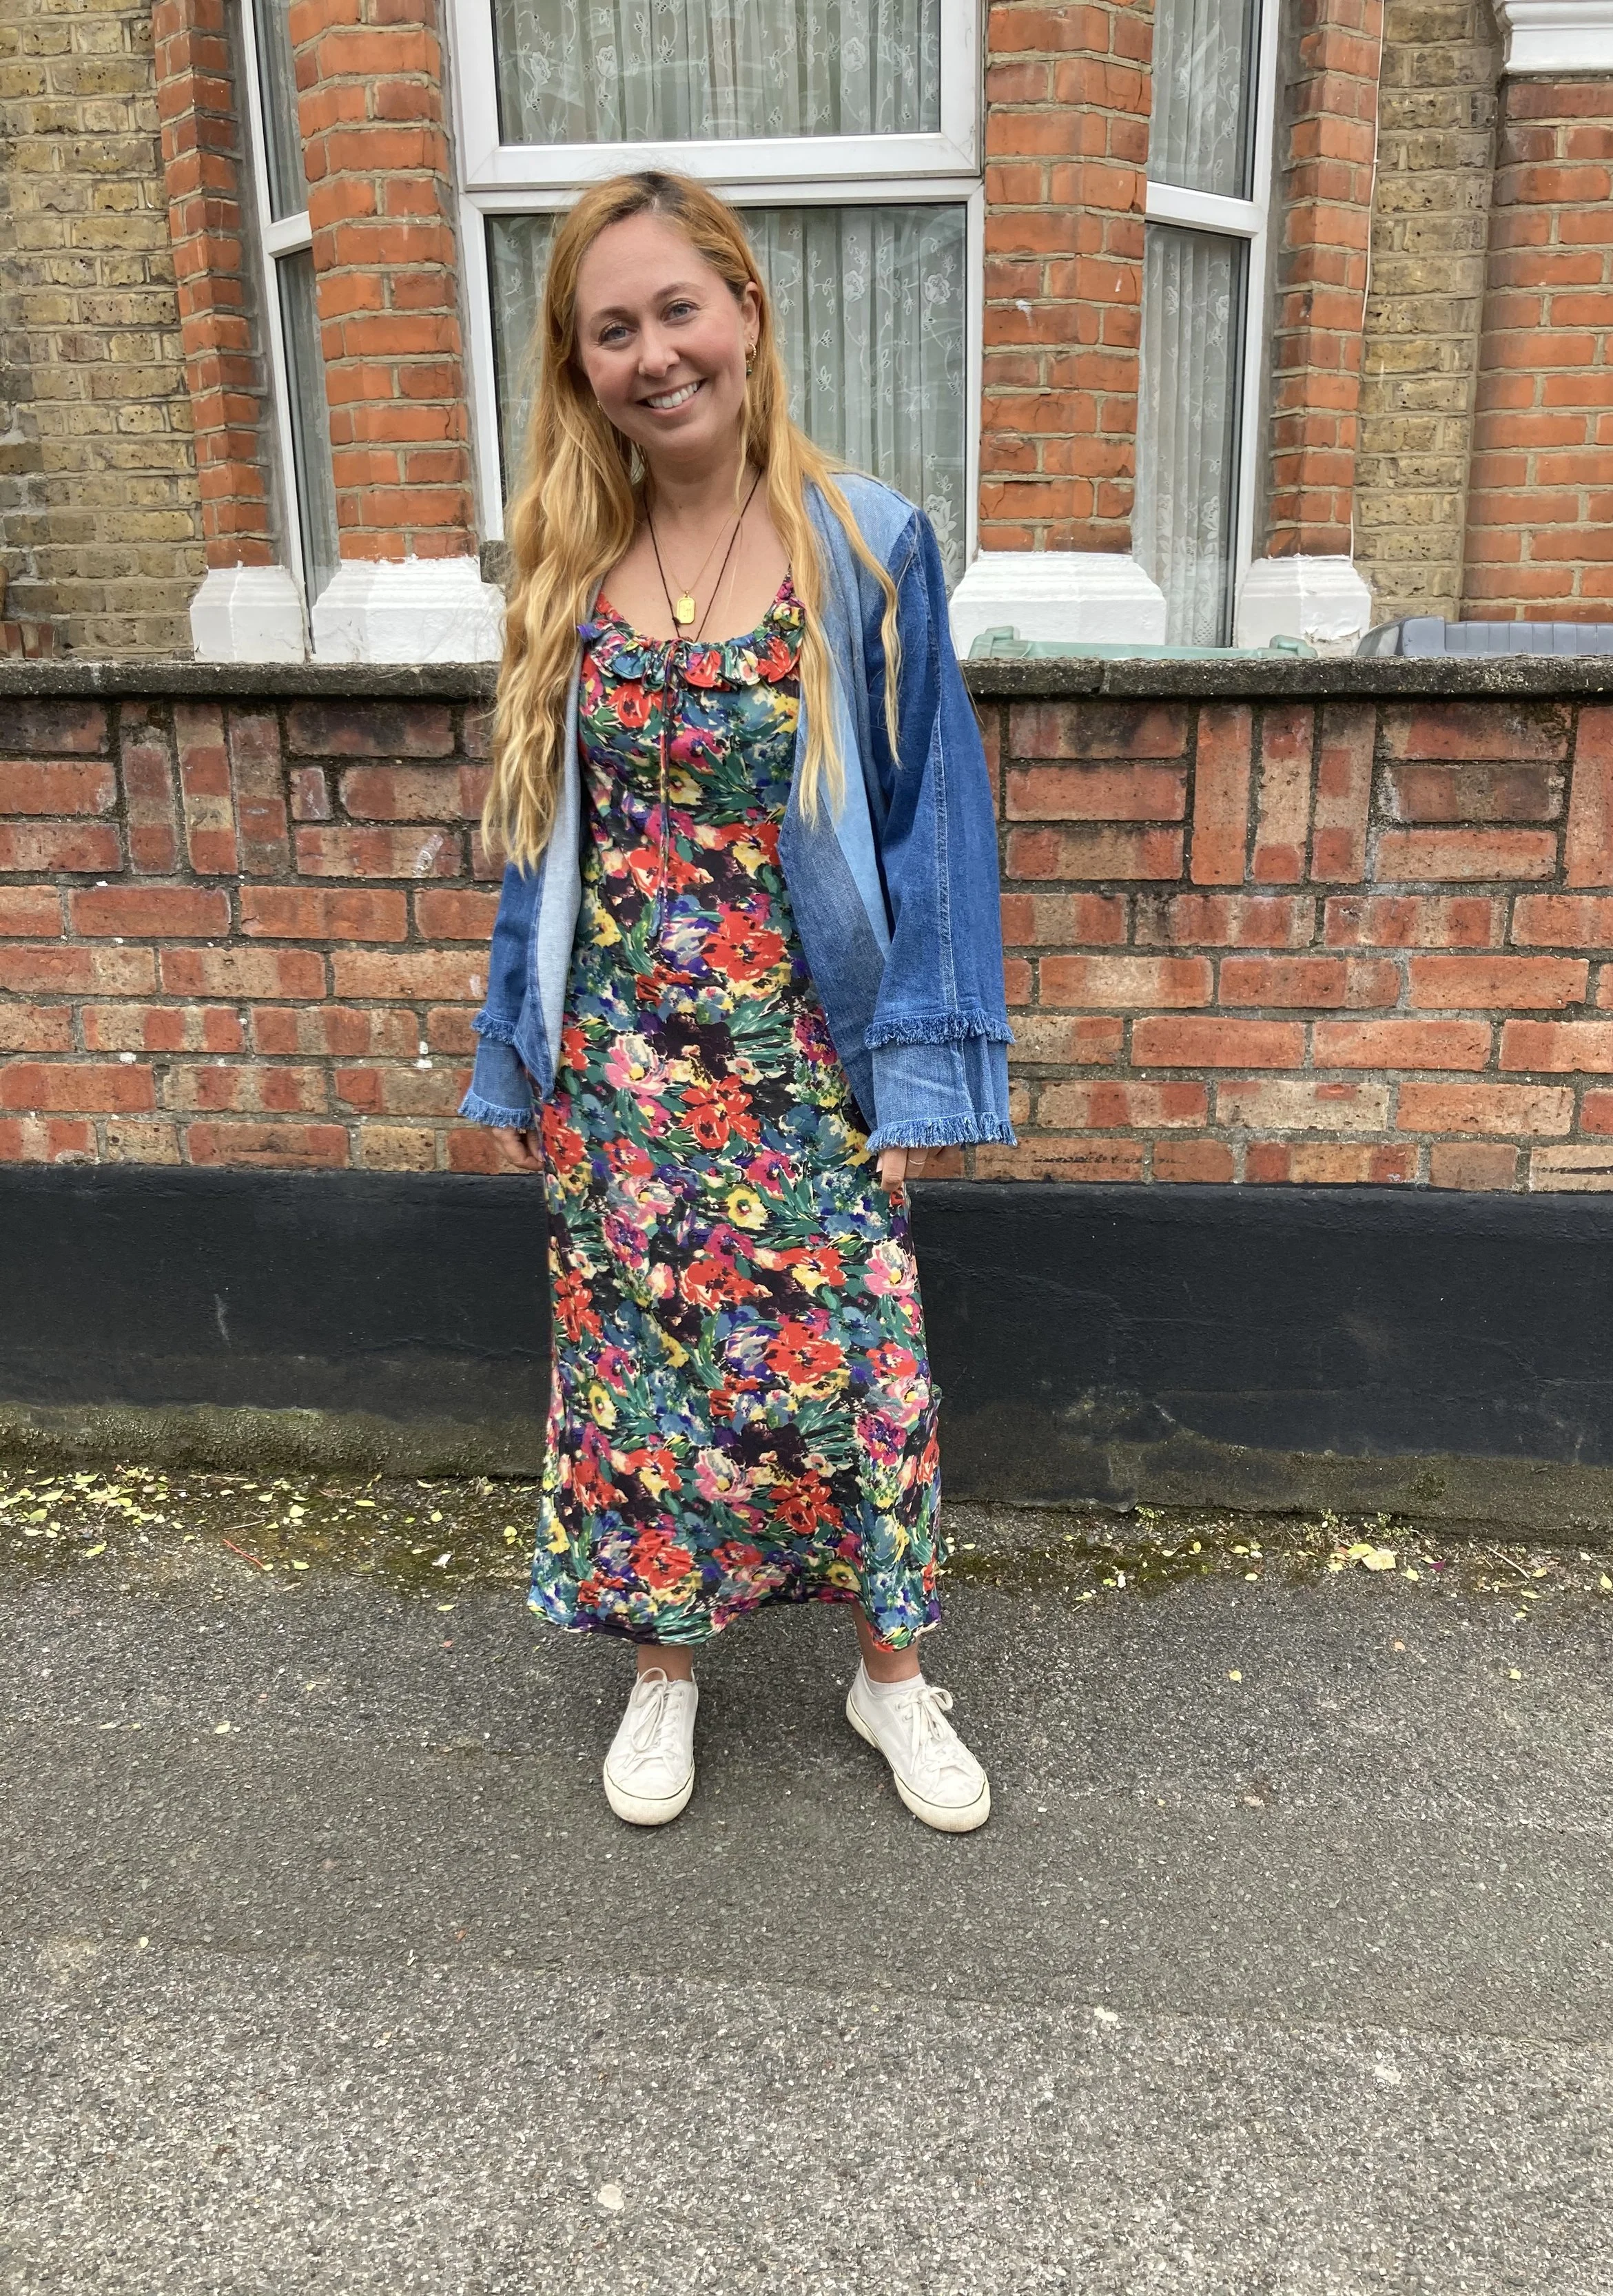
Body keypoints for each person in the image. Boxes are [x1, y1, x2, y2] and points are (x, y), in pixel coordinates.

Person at [460, 170, 1014, 1836]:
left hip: (805, 1060)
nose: (652, 354)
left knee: (860, 1375)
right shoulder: (564, 560)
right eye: (609, 329)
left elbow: (933, 828)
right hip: (621, 1072)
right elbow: (535, 845)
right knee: (643, 1385)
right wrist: (523, 1062)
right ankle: (664, 1665)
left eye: (675, 310)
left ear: (747, 315)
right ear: (579, 365)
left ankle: (889, 1677)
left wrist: (911, 1083)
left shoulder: (867, 544)